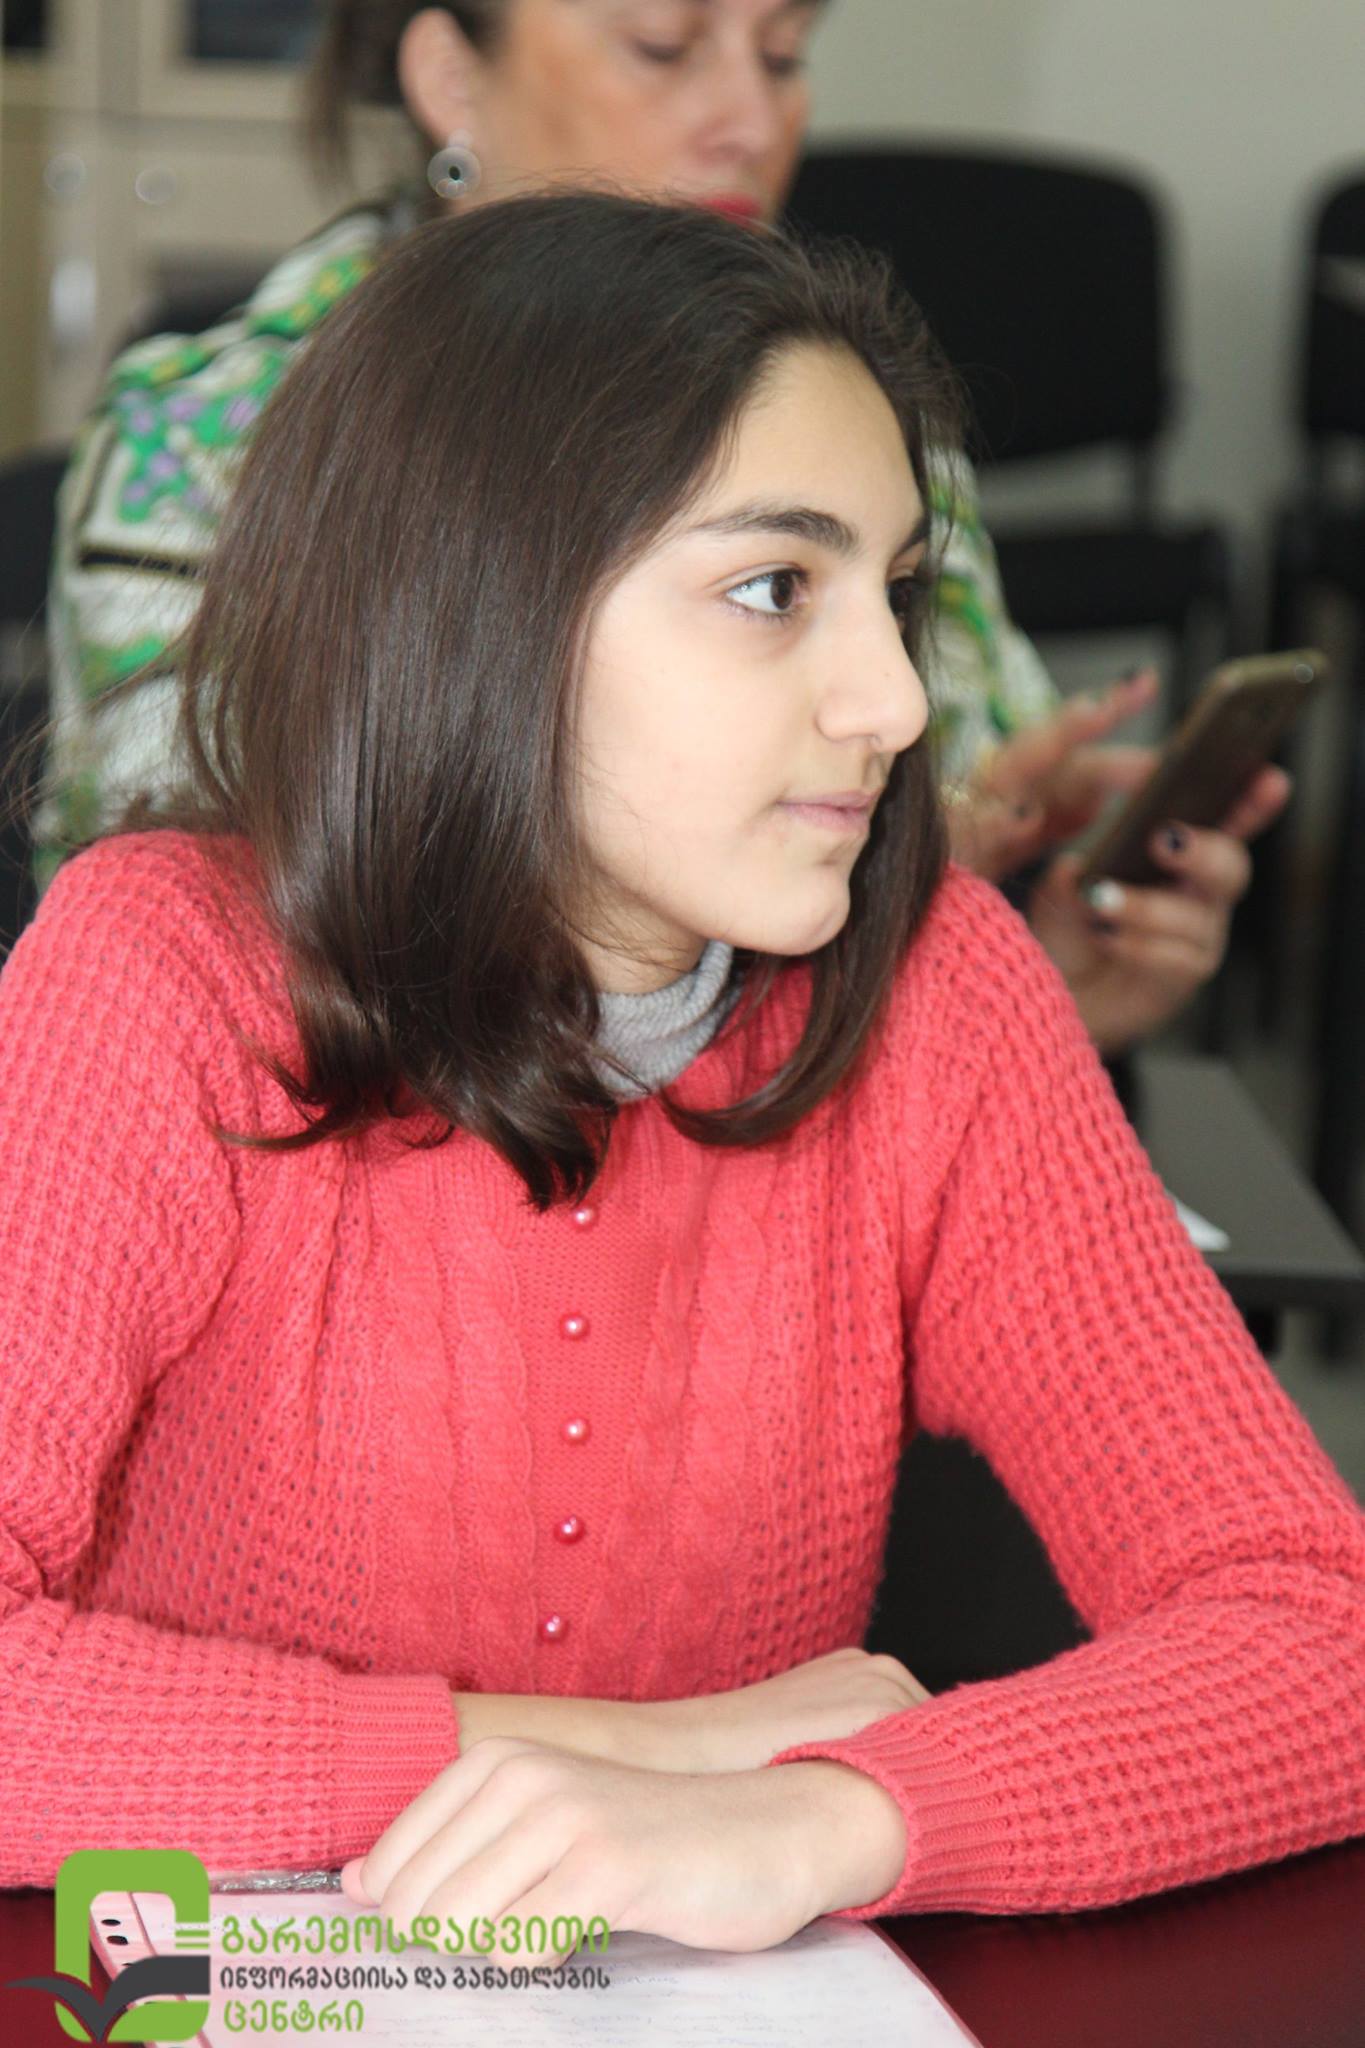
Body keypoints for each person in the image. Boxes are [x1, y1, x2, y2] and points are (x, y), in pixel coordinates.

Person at [4, 196, 1362, 1945]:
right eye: (772, 589)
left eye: (894, 595)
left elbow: (1318, 1625)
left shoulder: (938, 987)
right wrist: (628, 1756)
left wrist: (829, 1817)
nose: (892, 702)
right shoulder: (160, 969)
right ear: (480, 601)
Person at [40, 0, 1289, 1059]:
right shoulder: (208, 441)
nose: (750, 119)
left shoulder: (852, 422)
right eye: (662, 47)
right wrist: (884, 882)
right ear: (452, 79)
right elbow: (218, 971)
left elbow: (958, 818)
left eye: (784, 55)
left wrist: (1035, 975)